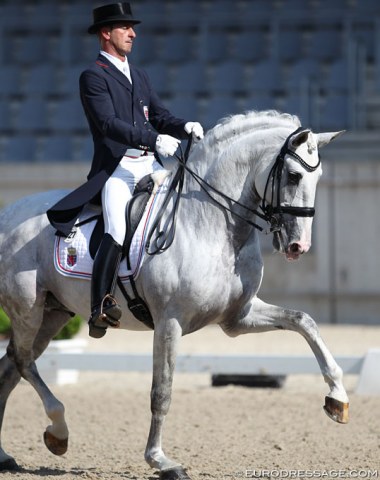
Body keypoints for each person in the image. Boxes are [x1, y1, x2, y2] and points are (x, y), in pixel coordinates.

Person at [47, 2, 204, 339]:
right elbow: (109, 125)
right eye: (125, 28)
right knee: (117, 228)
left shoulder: (139, 74)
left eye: (132, 28)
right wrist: (154, 138)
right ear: (107, 33)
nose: (133, 33)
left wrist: (183, 126)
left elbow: (159, 115)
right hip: (118, 170)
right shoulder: (93, 76)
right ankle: (100, 306)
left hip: (150, 165)